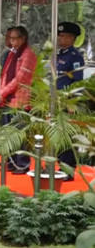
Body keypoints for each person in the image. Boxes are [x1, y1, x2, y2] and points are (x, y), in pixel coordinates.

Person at [0, 25, 37, 175]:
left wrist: (3, 92)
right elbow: (5, 74)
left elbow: (20, 79)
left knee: (19, 134)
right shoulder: (12, 53)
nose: (11, 41)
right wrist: (1, 93)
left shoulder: (28, 54)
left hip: (20, 99)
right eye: (10, 38)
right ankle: (12, 161)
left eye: (14, 38)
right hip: (8, 99)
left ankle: (22, 164)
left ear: (23, 38)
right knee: (8, 132)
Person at [55, 21, 85, 180]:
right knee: (59, 136)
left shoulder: (75, 57)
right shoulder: (59, 54)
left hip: (67, 102)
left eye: (63, 36)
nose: (60, 38)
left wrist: (72, 102)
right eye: (59, 35)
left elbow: (77, 82)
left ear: (72, 38)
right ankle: (60, 166)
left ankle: (68, 170)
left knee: (67, 137)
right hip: (56, 101)